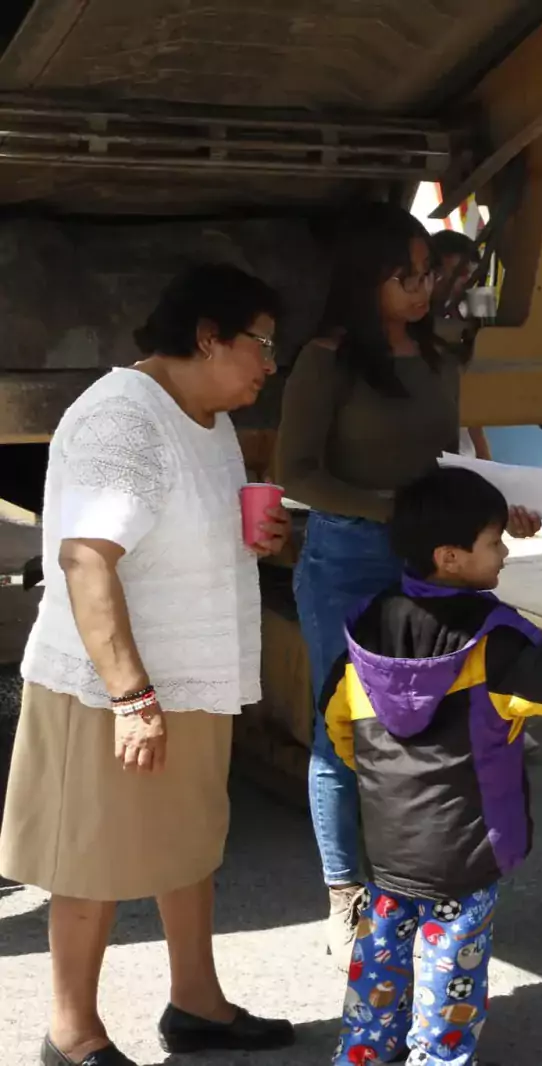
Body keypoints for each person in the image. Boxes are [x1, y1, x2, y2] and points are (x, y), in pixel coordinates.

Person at [0, 264, 295, 1066]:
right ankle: (71, 1034)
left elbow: (171, 530)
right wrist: (133, 697)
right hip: (111, 683)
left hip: (190, 675)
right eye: (261, 345)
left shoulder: (207, 413)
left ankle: (195, 1002)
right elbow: (87, 559)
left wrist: (253, 538)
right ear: (208, 337)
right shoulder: (123, 420)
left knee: (188, 843)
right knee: (87, 858)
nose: (271, 364)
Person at [323, 466, 542, 1066]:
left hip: (386, 845)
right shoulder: (495, 642)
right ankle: (438, 1057)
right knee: (451, 974)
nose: (507, 551)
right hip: (465, 849)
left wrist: (383, 787)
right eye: (493, 541)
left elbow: (337, 726)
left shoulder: (363, 625)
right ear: (450, 557)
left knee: (380, 957)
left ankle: (363, 1052)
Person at [278, 204, 540, 963]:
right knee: (344, 732)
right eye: (407, 277)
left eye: (428, 275)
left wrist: (490, 511)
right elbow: (295, 473)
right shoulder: (326, 357)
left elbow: (443, 462)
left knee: (433, 728)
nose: (424, 289)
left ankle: (416, 882)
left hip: (431, 562)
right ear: (367, 280)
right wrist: (394, 512)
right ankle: (345, 891)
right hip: (350, 555)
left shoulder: (438, 353)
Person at [429, 229, 492, 462]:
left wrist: (484, 455)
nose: (469, 284)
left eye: (472, 275)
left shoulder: (475, 309)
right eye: (460, 274)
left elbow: (473, 392)